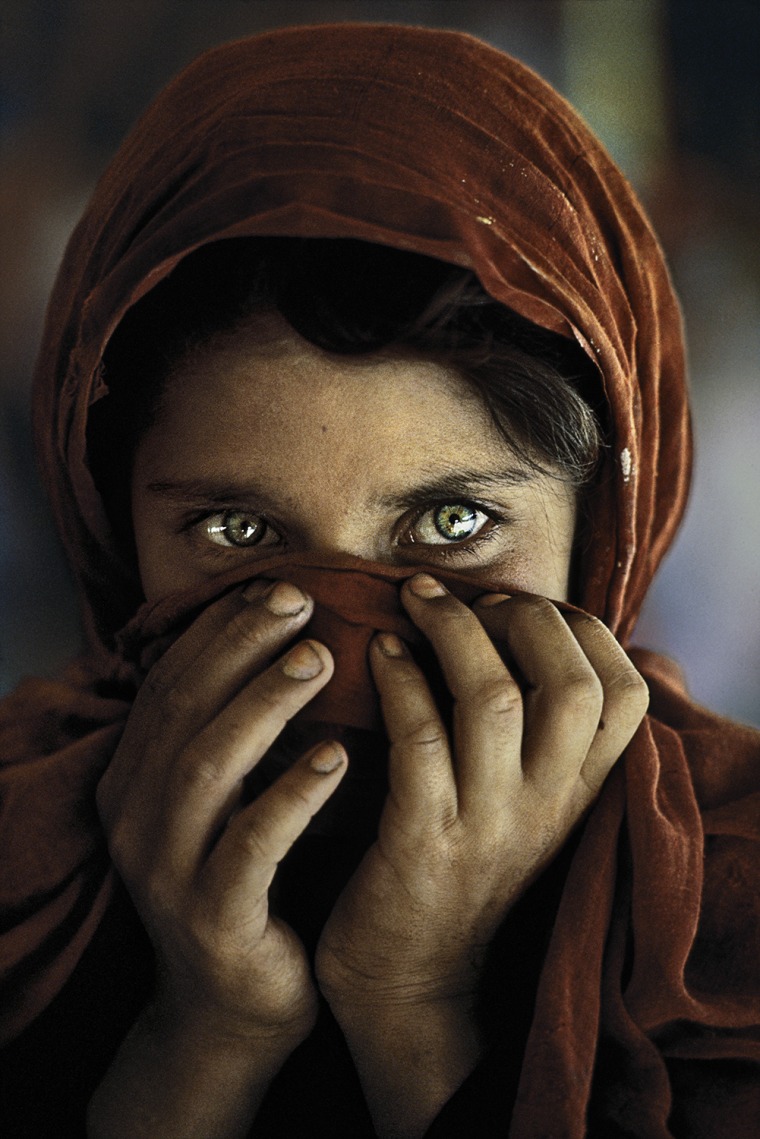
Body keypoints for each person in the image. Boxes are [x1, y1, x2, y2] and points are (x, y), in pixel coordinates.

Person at [0, 23, 758, 1139]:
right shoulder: (23, 874)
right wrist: (202, 1030)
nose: (345, 636)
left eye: (454, 524)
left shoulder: (727, 914)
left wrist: (416, 1003)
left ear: (604, 527)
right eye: (237, 527)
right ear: (109, 517)